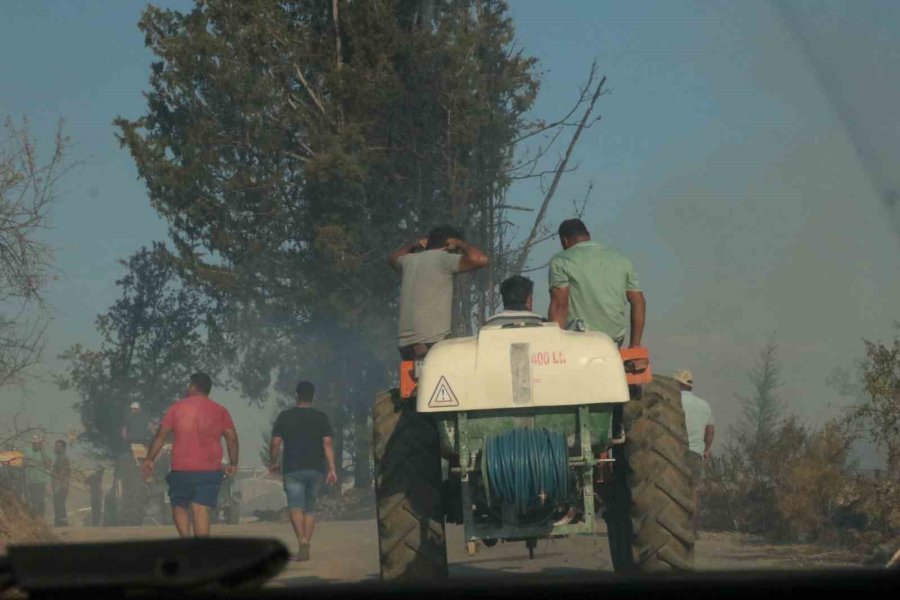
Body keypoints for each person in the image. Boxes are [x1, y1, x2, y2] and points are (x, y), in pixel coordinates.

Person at [141, 372, 239, 538]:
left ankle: (186, 543)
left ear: (193, 386)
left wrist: (149, 459)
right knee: (201, 509)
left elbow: (161, 435)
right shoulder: (220, 411)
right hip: (209, 469)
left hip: (181, 469)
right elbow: (231, 439)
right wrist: (233, 463)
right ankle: (199, 551)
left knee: (178, 506)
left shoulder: (176, 408)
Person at [389, 225, 489, 359]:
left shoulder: (409, 260)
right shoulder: (443, 258)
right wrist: (460, 243)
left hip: (405, 347)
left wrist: (414, 244)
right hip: (432, 345)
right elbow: (481, 259)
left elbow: (392, 259)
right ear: (449, 245)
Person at [548, 218, 646, 348]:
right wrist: (635, 345)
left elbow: (559, 306)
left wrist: (553, 347)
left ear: (564, 241)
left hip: (580, 342)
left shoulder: (561, 261)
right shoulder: (622, 259)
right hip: (614, 342)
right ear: (588, 235)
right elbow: (638, 302)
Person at [268, 381, 337, 562]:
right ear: (313, 396)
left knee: (295, 506)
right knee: (310, 508)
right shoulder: (321, 417)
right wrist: (332, 468)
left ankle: (301, 540)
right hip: (315, 469)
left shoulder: (285, 416)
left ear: (296, 395)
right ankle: (307, 540)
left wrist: (273, 462)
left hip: (292, 468)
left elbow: (275, 443)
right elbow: (327, 443)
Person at [674, 369, 715, 538]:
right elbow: (710, 430)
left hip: (675, 452)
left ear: (678, 384)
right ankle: (692, 529)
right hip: (695, 454)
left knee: (674, 490)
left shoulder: (672, 401)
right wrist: (705, 449)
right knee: (694, 491)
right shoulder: (704, 405)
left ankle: (674, 527)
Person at [23, 433, 50, 519]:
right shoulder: (27, 451)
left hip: (41, 481)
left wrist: (42, 451)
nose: (36, 445)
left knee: (41, 500)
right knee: (33, 500)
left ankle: (41, 517)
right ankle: (35, 517)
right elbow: (22, 463)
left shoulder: (44, 452)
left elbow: (48, 464)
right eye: (35, 443)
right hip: (31, 481)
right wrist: (28, 463)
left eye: (38, 443)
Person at [51, 439, 71, 527]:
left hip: (61, 486)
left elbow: (63, 474)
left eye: (57, 446)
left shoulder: (63, 459)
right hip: (60, 486)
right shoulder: (60, 458)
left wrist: (58, 486)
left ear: (62, 448)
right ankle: (60, 523)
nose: (55, 448)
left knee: (59, 505)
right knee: (58, 504)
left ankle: (61, 524)